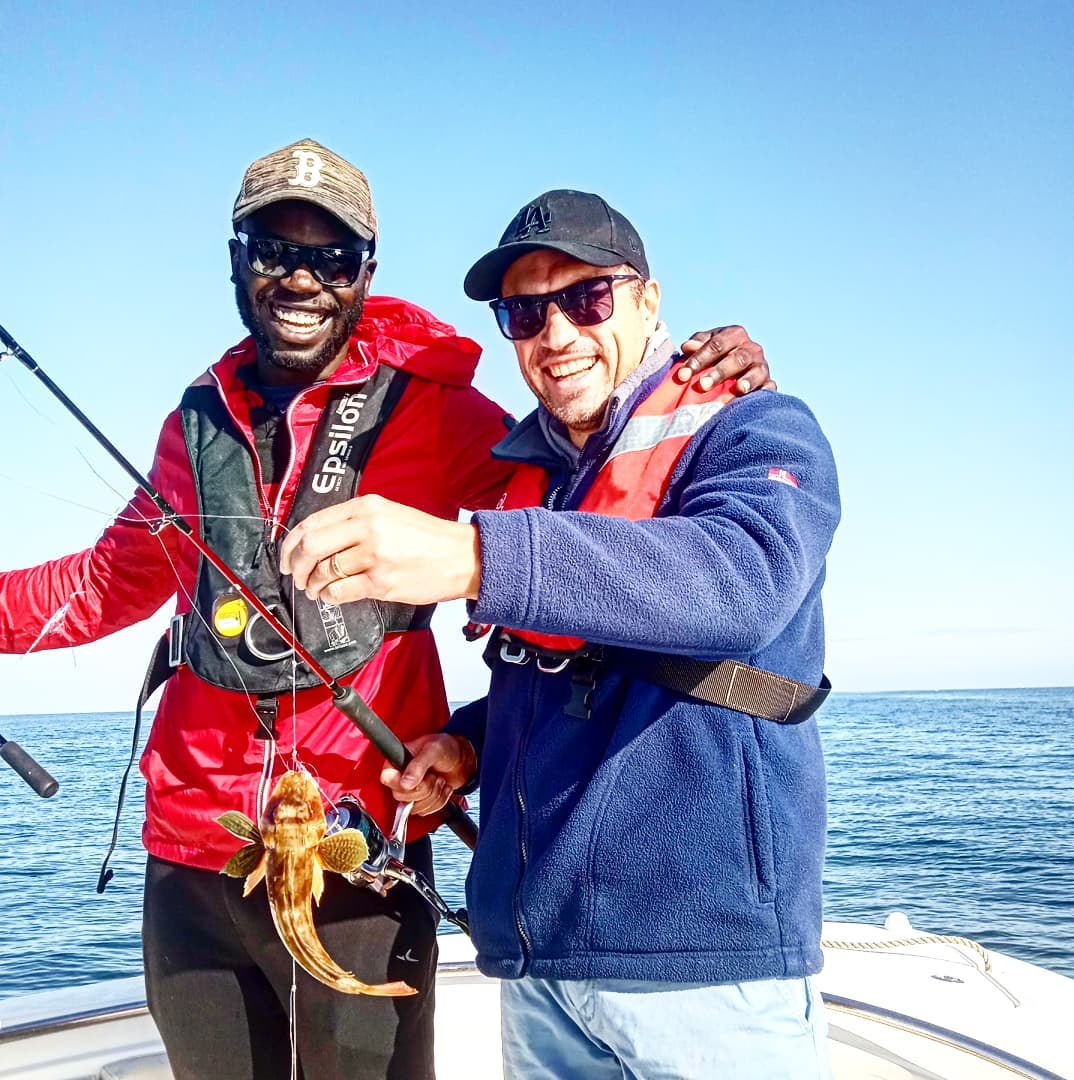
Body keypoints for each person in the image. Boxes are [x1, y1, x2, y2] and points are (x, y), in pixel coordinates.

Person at [0, 146, 773, 1080]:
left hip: (360, 846)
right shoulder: (192, 425)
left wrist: (694, 381)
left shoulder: (440, 412)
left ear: (364, 271)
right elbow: (101, 583)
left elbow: (597, 504)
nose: (300, 279)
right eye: (274, 251)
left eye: (330, 258)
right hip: (194, 853)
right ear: (237, 261)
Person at [280, 188, 841, 1077]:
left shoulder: (758, 426)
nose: (557, 333)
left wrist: (475, 555)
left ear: (648, 301)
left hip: (705, 970)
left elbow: (743, 584)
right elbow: (568, 678)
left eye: (587, 298)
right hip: (542, 969)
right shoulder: (538, 474)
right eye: (525, 313)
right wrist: (467, 746)